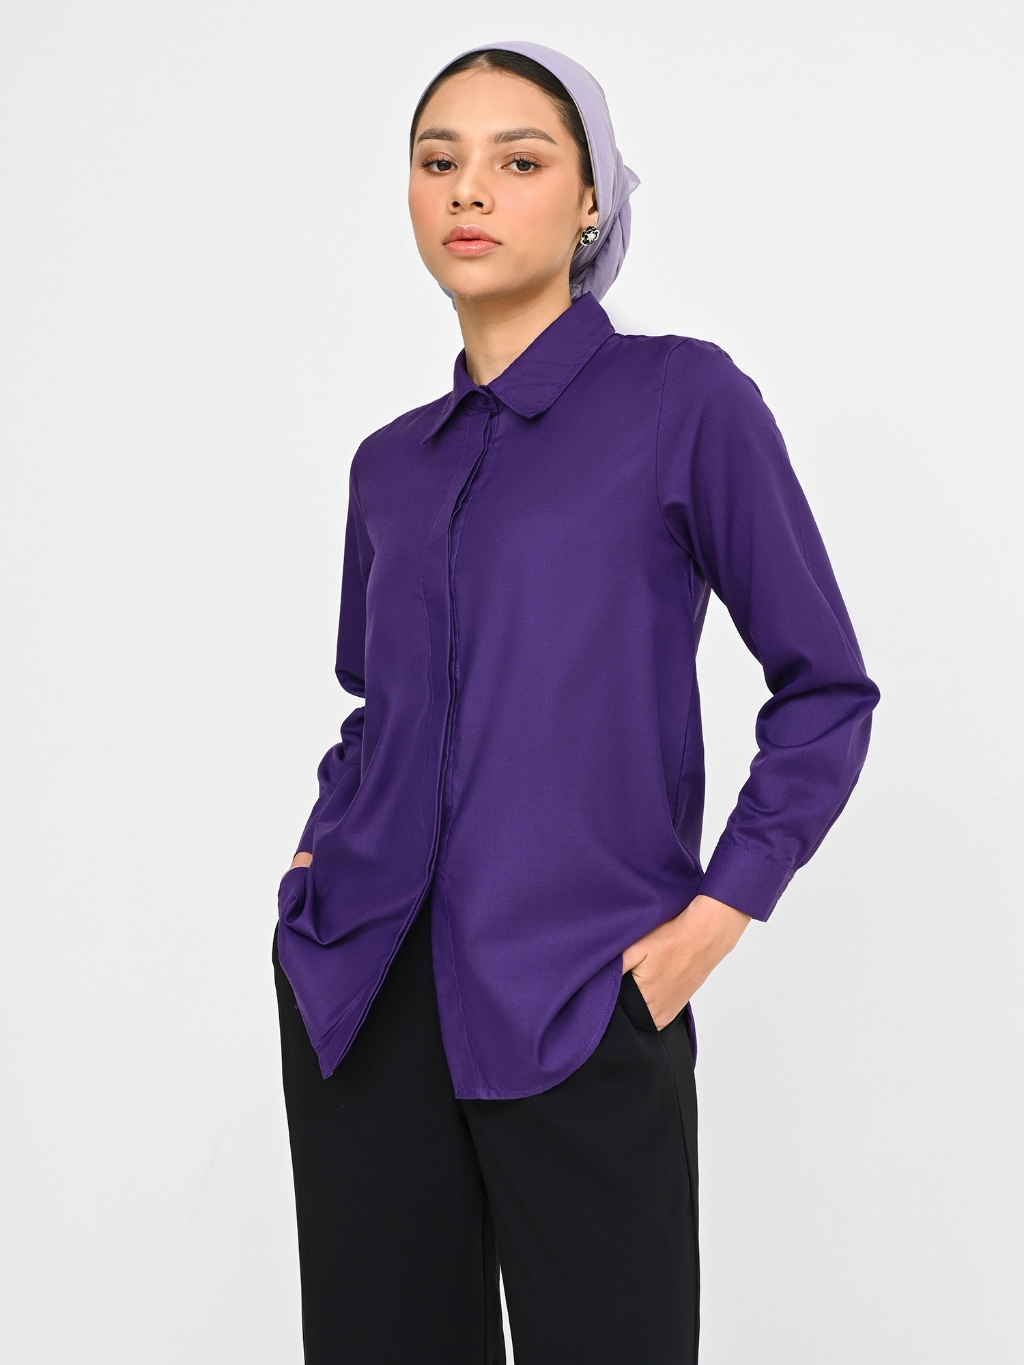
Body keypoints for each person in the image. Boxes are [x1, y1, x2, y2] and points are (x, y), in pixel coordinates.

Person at [272, 41, 879, 1365]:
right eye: (439, 160)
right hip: (365, 993)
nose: (469, 190)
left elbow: (826, 689)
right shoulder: (389, 467)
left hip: (582, 994)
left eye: (520, 160)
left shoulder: (683, 401)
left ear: (591, 198)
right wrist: (315, 868)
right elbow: (377, 713)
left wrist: (717, 915)